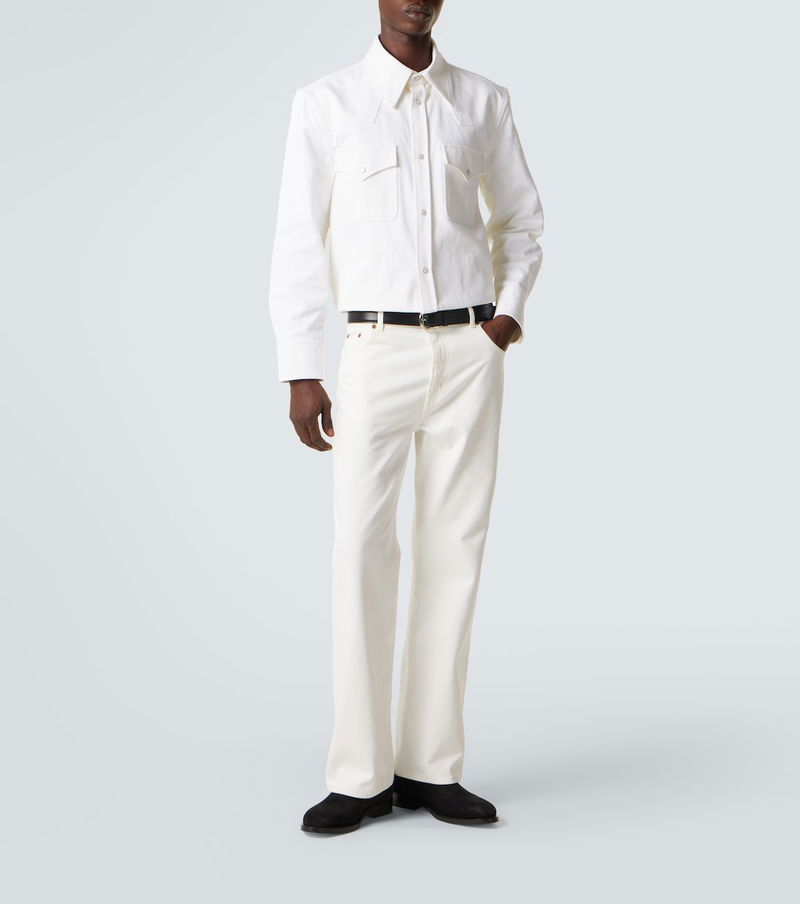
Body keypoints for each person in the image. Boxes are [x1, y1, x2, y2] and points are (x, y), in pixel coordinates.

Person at [268, 0, 544, 835]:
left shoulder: (483, 101)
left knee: (454, 551)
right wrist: (301, 368)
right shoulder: (326, 104)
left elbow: (521, 221)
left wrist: (505, 318)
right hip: (374, 351)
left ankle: (430, 766)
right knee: (361, 551)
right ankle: (359, 773)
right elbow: (298, 240)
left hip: (469, 351)